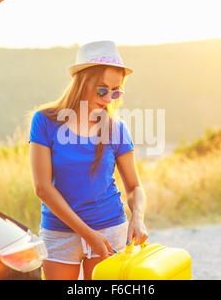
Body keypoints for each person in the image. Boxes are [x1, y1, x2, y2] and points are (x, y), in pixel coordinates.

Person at [28, 40, 148, 280]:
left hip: (110, 230)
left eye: (116, 92)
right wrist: (88, 234)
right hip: (59, 233)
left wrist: (138, 218)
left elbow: (134, 187)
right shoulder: (44, 121)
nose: (109, 98)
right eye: (103, 89)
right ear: (82, 81)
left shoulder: (116, 129)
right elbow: (42, 188)